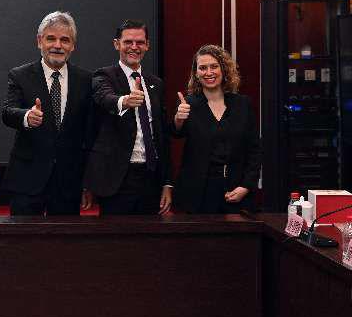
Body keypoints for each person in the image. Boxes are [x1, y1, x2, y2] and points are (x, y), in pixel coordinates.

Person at [1, 11, 93, 215]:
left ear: (73, 45)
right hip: (27, 180)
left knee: (63, 245)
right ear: (39, 41)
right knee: (22, 244)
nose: (58, 45)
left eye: (65, 40)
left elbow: (90, 132)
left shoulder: (86, 80)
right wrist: (26, 116)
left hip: (69, 182)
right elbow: (8, 112)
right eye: (51, 38)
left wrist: (88, 181)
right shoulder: (20, 75)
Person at [83, 19, 172, 215]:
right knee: (116, 243)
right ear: (117, 44)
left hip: (151, 177)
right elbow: (104, 97)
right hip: (117, 178)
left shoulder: (156, 84)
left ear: (147, 45)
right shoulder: (104, 76)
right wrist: (124, 101)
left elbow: (161, 136)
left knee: (150, 242)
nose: (134, 47)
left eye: (140, 42)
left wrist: (167, 182)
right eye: (128, 42)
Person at [172, 45, 261, 213]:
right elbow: (176, 133)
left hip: (236, 192)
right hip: (197, 196)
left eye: (214, 66)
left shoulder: (243, 104)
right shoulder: (187, 104)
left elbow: (254, 150)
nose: (209, 72)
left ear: (224, 69)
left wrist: (247, 186)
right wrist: (178, 118)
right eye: (203, 68)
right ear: (196, 74)